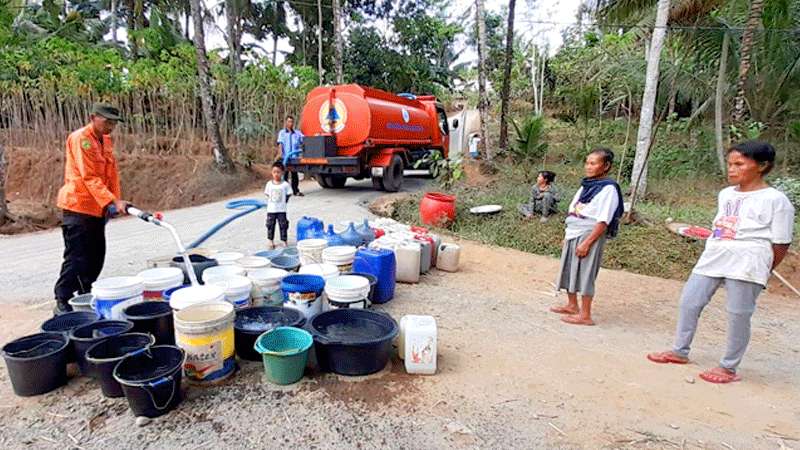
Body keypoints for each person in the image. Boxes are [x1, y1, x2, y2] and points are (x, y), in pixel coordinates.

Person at [647, 141, 794, 384]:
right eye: (729, 164)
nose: (732, 169)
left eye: (739, 164)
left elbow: (781, 243)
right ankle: (679, 350)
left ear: (762, 166)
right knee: (690, 301)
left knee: (738, 313)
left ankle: (728, 366)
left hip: (749, 259)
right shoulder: (725, 194)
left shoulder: (776, 200)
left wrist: (766, 267)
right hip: (716, 254)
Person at [53, 103, 130, 314]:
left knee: (96, 255)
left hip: (97, 208)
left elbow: (111, 174)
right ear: (93, 117)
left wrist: (115, 202)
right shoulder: (81, 139)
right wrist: (113, 201)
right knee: (77, 256)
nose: (111, 126)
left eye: (114, 122)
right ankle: (63, 298)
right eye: (107, 121)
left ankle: (84, 293)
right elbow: (88, 176)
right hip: (78, 205)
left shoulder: (105, 140)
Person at [551, 148, 624, 326]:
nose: (588, 167)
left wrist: (588, 242)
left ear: (606, 166)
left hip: (588, 233)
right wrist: (567, 235)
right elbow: (574, 209)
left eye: (593, 163)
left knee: (585, 272)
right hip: (573, 232)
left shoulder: (609, 189)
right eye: (587, 162)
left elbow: (603, 220)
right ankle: (572, 304)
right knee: (569, 268)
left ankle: (585, 315)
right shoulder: (586, 185)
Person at [265, 161, 292, 249]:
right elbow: (267, 194)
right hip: (271, 210)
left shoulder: (285, 185)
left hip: (281, 210)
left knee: (283, 225)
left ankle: (284, 240)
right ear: (272, 173)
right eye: (274, 172)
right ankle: (270, 240)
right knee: (270, 225)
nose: (276, 174)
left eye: (278, 172)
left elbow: (289, 194)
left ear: (282, 173)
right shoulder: (269, 184)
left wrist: (284, 201)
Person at [276, 115, 304, 196]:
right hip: (285, 158)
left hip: (294, 158)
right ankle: (285, 191)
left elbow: (304, 141)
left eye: (291, 122)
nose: (290, 123)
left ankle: (295, 191)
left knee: (294, 174)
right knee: (285, 175)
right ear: (286, 122)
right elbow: (280, 143)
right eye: (289, 121)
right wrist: (280, 153)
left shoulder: (297, 133)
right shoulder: (282, 133)